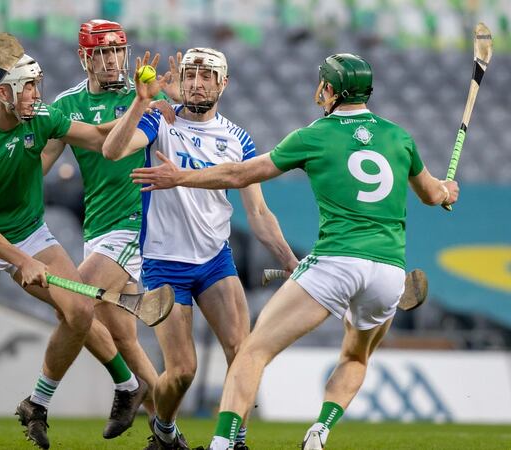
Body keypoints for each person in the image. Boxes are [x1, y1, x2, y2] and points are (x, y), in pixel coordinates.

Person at [130, 53, 460, 450]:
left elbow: (239, 174)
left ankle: (222, 445)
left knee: (250, 352)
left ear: (333, 90)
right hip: (390, 272)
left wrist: (179, 176)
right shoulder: (400, 137)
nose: (318, 89)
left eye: (323, 82)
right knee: (355, 358)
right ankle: (320, 432)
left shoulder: (313, 135)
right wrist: (445, 189)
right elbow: (432, 194)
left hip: (337, 261)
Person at [0, 54, 146, 450]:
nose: (37, 94)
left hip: (30, 231)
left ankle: (118, 387)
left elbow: (100, 138)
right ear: (3, 92)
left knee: (80, 310)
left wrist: (143, 106)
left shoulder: (42, 117)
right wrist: (22, 261)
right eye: (28, 86)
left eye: (38, 84)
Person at [103, 48, 298, 450]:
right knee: (182, 371)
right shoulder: (160, 121)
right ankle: (165, 432)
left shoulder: (238, 139)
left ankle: (236, 440)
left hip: (215, 261)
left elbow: (259, 214)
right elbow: (112, 150)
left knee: (242, 352)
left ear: (223, 84)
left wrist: (291, 262)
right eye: (190, 75)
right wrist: (140, 103)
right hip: (163, 262)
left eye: (207, 76)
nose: (196, 82)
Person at [42, 19, 176, 421]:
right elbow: (39, 167)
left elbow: (116, 140)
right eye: (101, 52)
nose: (111, 61)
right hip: (97, 227)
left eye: (117, 51)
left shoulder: (144, 98)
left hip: (137, 221)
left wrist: (156, 102)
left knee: (73, 300)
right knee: (125, 339)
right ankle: (167, 431)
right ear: (84, 58)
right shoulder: (66, 105)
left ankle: (43, 400)